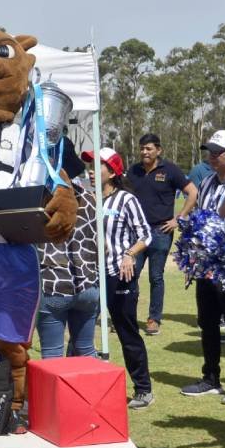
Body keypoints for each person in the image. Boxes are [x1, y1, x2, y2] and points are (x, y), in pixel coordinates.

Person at [179, 130, 225, 405]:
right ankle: (211, 378)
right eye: (209, 150)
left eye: (217, 151)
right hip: (207, 265)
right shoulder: (207, 182)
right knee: (207, 322)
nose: (211, 155)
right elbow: (200, 218)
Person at [84, 148, 154, 408]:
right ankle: (84, 389)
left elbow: (146, 235)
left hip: (119, 275)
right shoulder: (89, 199)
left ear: (112, 172)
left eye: (97, 166)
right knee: (83, 332)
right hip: (91, 276)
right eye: (89, 166)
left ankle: (143, 389)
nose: (91, 171)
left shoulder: (126, 200)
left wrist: (128, 255)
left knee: (127, 332)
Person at [127, 133, 198, 336]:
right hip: (137, 233)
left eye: (149, 148)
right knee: (131, 274)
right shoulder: (133, 171)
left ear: (159, 150)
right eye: (142, 148)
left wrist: (179, 218)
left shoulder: (170, 170)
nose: (144, 152)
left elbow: (192, 192)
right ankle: (127, 316)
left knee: (156, 277)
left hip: (161, 232)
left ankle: (153, 319)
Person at [36, 149, 100, 359]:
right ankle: (93, 392)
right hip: (88, 285)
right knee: (86, 350)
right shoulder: (91, 199)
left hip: (53, 285)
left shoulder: (41, 202)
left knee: (52, 355)